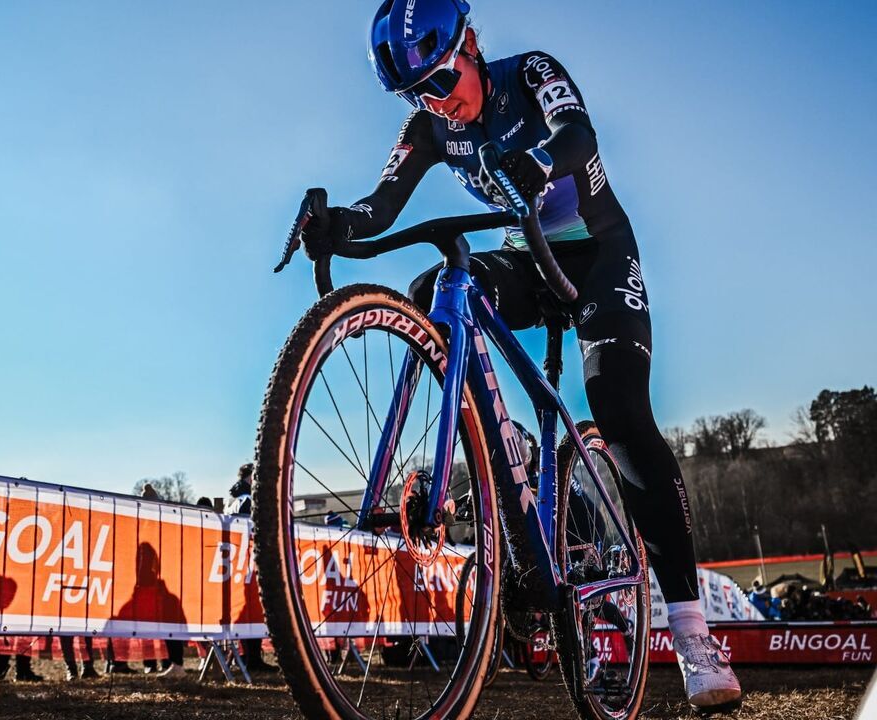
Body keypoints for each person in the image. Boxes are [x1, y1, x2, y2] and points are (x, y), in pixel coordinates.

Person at [284, 1, 740, 711]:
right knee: (435, 289)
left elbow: (578, 136)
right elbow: (381, 206)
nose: (437, 102)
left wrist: (538, 161)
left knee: (618, 409)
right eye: (416, 95)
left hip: (596, 255)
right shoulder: (429, 127)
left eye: (441, 81)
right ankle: (505, 461)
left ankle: (690, 631)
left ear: (469, 43)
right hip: (527, 256)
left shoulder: (530, 73)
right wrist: (334, 224)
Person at [226, 463, 277, 675]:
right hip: (248, 560)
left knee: (245, 609)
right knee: (253, 609)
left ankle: (248, 657)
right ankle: (252, 658)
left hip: (234, 561)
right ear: (250, 478)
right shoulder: (247, 500)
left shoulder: (232, 500)